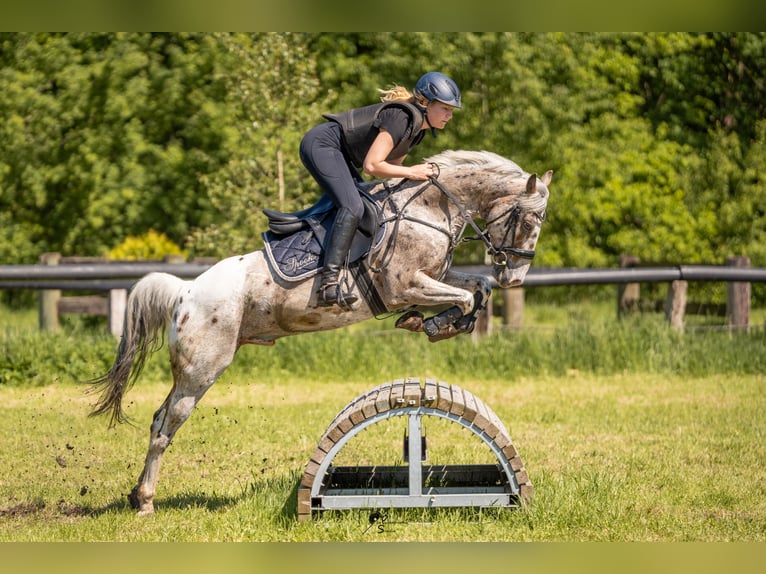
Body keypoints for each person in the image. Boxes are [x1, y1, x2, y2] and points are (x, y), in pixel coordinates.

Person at [300, 71, 462, 309]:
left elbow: (392, 168)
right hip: (322, 145)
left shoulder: (418, 131)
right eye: (445, 109)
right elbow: (373, 166)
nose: (449, 115)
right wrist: (412, 172)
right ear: (425, 103)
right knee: (353, 206)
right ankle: (328, 283)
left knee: (369, 208)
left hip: (340, 156)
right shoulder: (401, 117)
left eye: (451, 110)